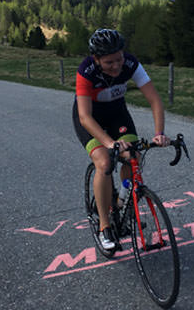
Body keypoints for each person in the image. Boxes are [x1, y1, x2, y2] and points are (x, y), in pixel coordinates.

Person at [72, 28, 169, 250]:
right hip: (91, 119)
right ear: (96, 59)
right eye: (109, 62)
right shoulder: (86, 71)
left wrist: (159, 133)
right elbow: (84, 117)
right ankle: (105, 226)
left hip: (117, 114)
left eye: (119, 59)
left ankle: (122, 205)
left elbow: (154, 99)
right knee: (105, 162)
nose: (116, 66)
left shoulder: (131, 64)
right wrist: (109, 143)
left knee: (132, 156)